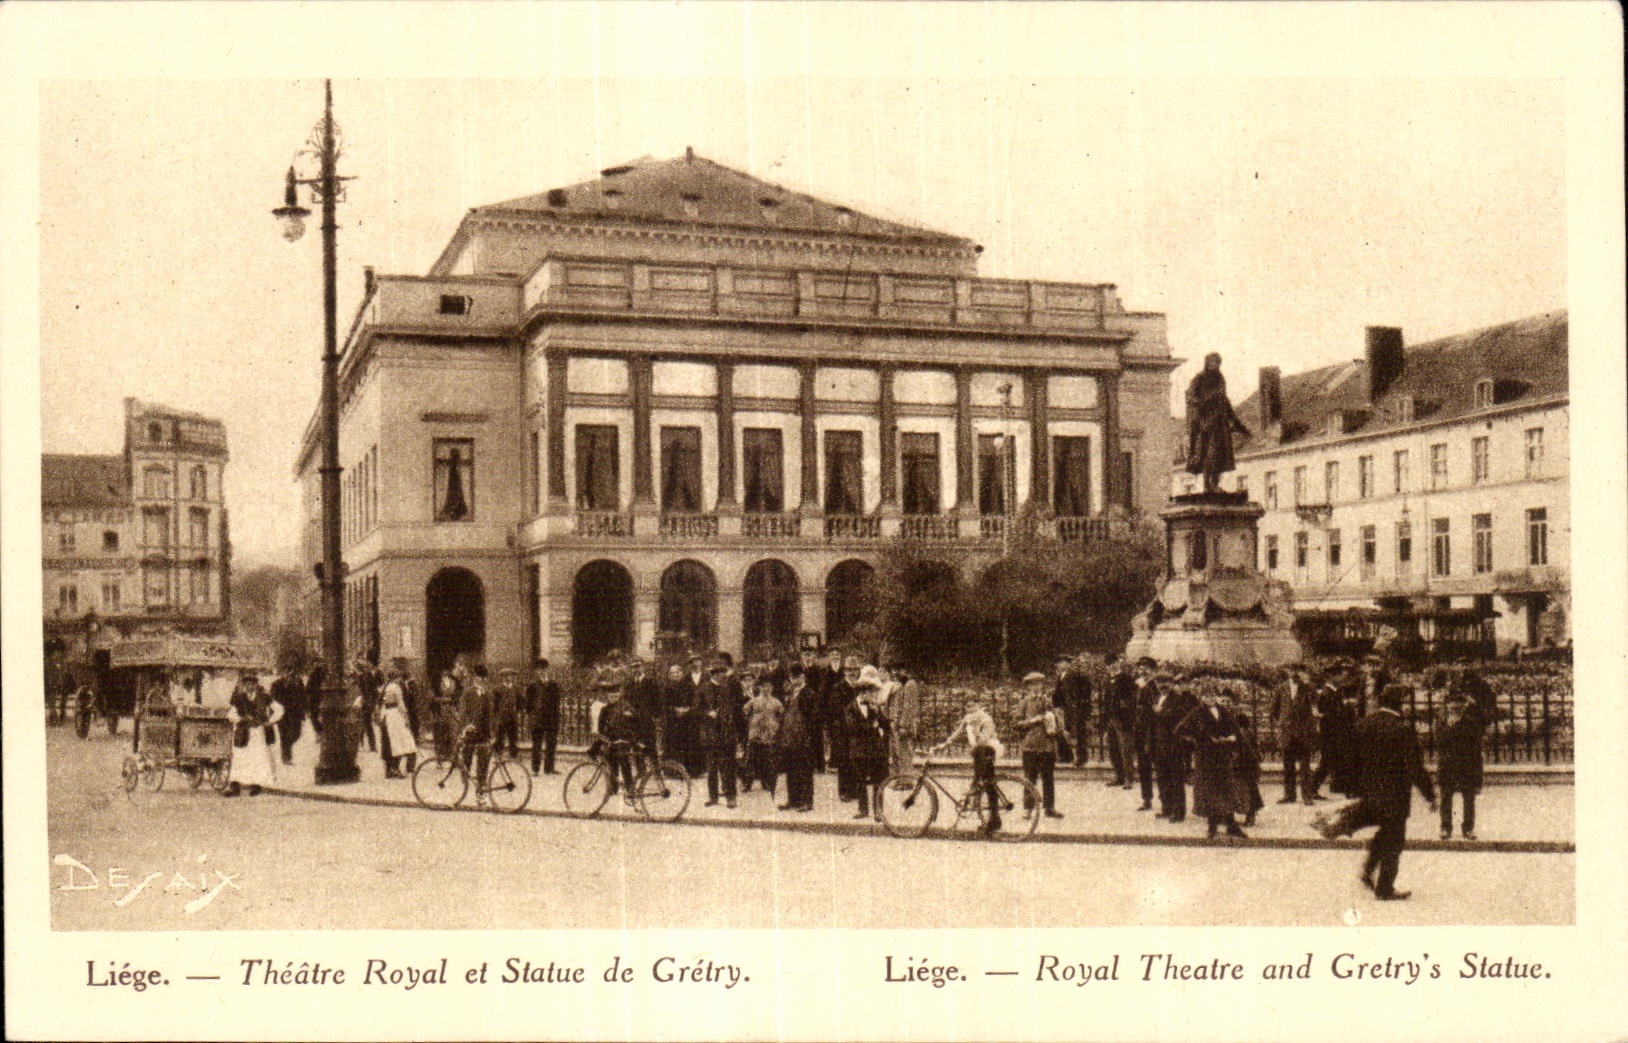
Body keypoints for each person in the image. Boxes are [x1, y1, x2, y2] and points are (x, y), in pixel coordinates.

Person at [1353, 685, 1437, 901]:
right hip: (1395, 794)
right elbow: (1414, 767)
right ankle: (1385, 887)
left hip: (1370, 790)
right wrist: (1430, 794)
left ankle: (1369, 868)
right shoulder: (1402, 729)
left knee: (1385, 832)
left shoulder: (1364, 724)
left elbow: (1351, 758)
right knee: (1395, 840)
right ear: (1398, 703)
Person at [1176, 680, 1249, 839]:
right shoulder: (1196, 713)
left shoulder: (1223, 711)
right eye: (1206, 695)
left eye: (1213, 695)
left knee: (1227, 790)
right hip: (1206, 758)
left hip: (1223, 757)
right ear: (1201, 697)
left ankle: (1231, 825)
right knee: (1210, 792)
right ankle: (1212, 826)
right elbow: (1181, 730)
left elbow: (1235, 730)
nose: (1210, 698)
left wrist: (1231, 739)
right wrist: (1199, 741)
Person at [933, 694, 1006, 836]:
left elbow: (986, 736)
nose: (970, 709)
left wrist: (977, 744)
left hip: (988, 751)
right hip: (978, 753)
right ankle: (984, 819)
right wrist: (944, 745)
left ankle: (994, 820)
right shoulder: (968, 720)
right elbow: (956, 734)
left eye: (973, 706)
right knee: (979, 785)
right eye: (968, 707)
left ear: (979, 706)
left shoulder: (986, 719)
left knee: (986, 784)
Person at [1184, 351, 1252, 494]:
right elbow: (1190, 397)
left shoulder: (1220, 379)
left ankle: (1214, 484)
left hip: (1220, 424)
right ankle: (1208, 486)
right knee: (1209, 454)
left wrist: (1238, 425)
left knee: (1220, 456)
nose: (1214, 365)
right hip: (1205, 424)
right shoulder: (1199, 378)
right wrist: (1204, 404)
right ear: (1207, 363)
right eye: (1212, 362)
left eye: (1217, 362)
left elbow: (1224, 402)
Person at [1436, 689, 1487, 841]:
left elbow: (1476, 748)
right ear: (1447, 707)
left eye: (1458, 708)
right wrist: (1449, 727)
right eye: (1452, 708)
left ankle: (1468, 828)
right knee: (1446, 797)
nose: (1455, 711)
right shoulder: (1442, 722)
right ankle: (1445, 827)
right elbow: (1439, 742)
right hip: (1448, 765)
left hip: (1467, 765)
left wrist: (1478, 776)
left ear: (1463, 708)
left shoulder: (1471, 722)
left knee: (1469, 798)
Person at [842, 666, 891, 821]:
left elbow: (886, 725)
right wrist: (872, 726)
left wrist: (877, 712)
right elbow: (853, 728)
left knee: (879, 780)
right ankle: (863, 809)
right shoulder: (850, 708)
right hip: (859, 750)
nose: (872, 695)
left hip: (876, 749)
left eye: (873, 691)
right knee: (860, 781)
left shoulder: (874, 707)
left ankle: (878, 810)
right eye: (870, 691)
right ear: (862, 692)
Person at [1019, 671, 1068, 819]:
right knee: (1029, 779)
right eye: (1033, 684)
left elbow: (1058, 721)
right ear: (1028, 687)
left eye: (1039, 684)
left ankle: (1049, 808)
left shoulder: (1048, 702)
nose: (1036, 687)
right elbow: (1016, 723)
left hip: (1047, 745)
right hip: (1030, 746)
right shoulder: (1024, 703)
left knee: (1048, 778)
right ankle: (1028, 809)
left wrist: (1054, 721)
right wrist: (1032, 721)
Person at [226, 672, 282, 797]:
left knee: (258, 758)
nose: (250, 686)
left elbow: (279, 709)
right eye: (247, 684)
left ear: (256, 685)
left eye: (252, 684)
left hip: (258, 732)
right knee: (241, 759)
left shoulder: (264, 697)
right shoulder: (239, 698)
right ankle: (235, 786)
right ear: (244, 686)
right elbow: (231, 714)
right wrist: (240, 719)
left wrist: (271, 721)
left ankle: (256, 785)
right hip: (244, 732)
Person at [1152, 671, 1198, 822]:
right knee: (1162, 777)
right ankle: (1167, 808)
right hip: (1159, 743)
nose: (1162, 686)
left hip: (1173, 743)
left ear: (1171, 684)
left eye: (1166, 682)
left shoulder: (1177, 699)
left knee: (1175, 779)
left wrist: (1161, 712)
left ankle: (1178, 812)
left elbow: (1177, 717)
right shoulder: (1158, 697)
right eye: (1160, 682)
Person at [696, 659, 742, 808]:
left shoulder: (729, 688)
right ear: (712, 674)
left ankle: (731, 797)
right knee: (711, 769)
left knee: (728, 767)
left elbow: (736, 709)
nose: (720, 675)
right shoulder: (702, 689)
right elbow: (696, 711)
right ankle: (713, 797)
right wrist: (707, 714)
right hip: (710, 735)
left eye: (722, 672)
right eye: (717, 673)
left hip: (727, 734)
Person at [594, 677, 645, 806]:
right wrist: (602, 737)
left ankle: (629, 789)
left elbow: (638, 721)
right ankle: (613, 788)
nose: (612, 698)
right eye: (610, 696)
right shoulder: (605, 710)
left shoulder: (625, 706)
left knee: (624, 762)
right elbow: (601, 726)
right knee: (611, 763)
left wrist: (632, 717)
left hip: (625, 740)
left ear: (619, 695)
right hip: (612, 740)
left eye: (615, 696)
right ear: (607, 697)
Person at [1272, 664, 1318, 804]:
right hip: (1287, 732)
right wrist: (1283, 723)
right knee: (1288, 766)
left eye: (1298, 671)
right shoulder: (1281, 689)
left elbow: (1314, 711)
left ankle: (1307, 796)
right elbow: (1274, 711)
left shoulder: (1309, 689)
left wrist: (1308, 728)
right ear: (1288, 672)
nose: (1295, 674)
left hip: (1303, 733)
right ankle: (1289, 795)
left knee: (1305, 766)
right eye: (1292, 670)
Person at [776, 666, 816, 812]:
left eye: (798, 676)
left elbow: (813, 718)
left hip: (803, 738)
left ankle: (807, 801)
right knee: (791, 770)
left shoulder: (809, 694)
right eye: (793, 677)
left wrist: (809, 737)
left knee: (804, 770)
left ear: (803, 677)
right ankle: (793, 800)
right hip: (790, 738)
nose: (795, 679)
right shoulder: (791, 694)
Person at [742, 674, 785, 799]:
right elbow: (744, 711)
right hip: (755, 735)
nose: (766, 689)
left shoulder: (776, 702)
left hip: (769, 736)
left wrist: (775, 726)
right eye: (764, 687)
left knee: (767, 760)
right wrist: (751, 722)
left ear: (771, 688)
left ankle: (766, 782)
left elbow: (782, 714)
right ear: (760, 688)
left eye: (769, 686)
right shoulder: (754, 701)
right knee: (750, 760)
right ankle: (747, 783)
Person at [460, 665, 496, 806]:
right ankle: (465, 781)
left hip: (483, 733)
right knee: (466, 758)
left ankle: (480, 794)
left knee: (483, 765)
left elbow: (490, 714)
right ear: (474, 678)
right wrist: (467, 724)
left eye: (482, 678)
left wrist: (492, 733)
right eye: (477, 678)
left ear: (485, 679)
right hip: (470, 732)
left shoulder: (487, 693)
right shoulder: (468, 693)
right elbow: (463, 711)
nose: (480, 680)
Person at [375, 670, 419, 779]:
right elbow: (401, 704)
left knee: (390, 743)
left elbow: (380, 704)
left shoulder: (385, 687)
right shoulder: (396, 688)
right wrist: (406, 717)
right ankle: (400, 769)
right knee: (402, 742)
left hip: (386, 715)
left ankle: (389, 769)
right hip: (395, 716)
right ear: (396, 678)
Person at [1131, 657, 1160, 810]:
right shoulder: (1138, 685)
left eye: (1146, 668)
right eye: (1141, 667)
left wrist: (1145, 688)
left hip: (1153, 730)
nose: (1143, 671)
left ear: (1152, 670)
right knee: (1143, 765)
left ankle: (1166, 800)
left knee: (1159, 765)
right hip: (1140, 729)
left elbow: (1156, 704)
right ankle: (1147, 799)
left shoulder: (1154, 685)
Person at [1052, 656, 1092, 767]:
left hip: (1074, 709)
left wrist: (1080, 705)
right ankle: (1066, 756)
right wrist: (1057, 706)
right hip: (1064, 709)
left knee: (1078, 734)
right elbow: (1057, 694)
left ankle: (1081, 759)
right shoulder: (1060, 676)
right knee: (1063, 731)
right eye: (1060, 663)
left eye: (1063, 663)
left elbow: (1082, 690)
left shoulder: (1074, 676)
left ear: (1068, 664)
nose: (1061, 665)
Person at [526, 659, 562, 775]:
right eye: (540, 670)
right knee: (537, 745)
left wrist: (556, 718)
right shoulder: (532, 685)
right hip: (538, 719)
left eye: (545, 669)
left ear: (548, 670)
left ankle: (549, 768)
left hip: (551, 719)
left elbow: (557, 702)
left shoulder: (554, 685)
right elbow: (528, 704)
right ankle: (535, 769)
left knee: (551, 744)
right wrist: (533, 715)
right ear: (536, 671)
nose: (542, 672)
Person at [886, 665, 922, 777]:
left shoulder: (910, 685)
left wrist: (903, 726)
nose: (896, 673)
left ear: (906, 671)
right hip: (900, 726)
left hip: (905, 727)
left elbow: (908, 708)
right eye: (894, 670)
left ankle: (906, 779)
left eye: (899, 670)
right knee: (900, 753)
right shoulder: (903, 685)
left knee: (905, 753)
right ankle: (901, 778)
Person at [270, 668, 307, 766]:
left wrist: (304, 713)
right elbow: (273, 700)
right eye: (288, 674)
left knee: (296, 734)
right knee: (284, 736)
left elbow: (303, 698)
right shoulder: (276, 684)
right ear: (284, 674)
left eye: (292, 675)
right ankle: (286, 757)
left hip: (296, 714)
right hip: (282, 715)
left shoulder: (299, 683)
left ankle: (287, 750)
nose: (290, 676)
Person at [431, 669, 462, 760]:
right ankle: (440, 757)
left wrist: (454, 701)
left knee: (453, 733)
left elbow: (458, 695)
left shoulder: (454, 682)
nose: (445, 676)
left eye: (447, 675)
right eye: (444, 676)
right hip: (440, 711)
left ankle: (454, 756)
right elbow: (432, 698)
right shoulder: (436, 684)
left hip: (452, 710)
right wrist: (442, 700)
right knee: (441, 734)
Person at [493, 667, 522, 760]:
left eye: (510, 676)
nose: (508, 678)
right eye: (505, 676)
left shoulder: (516, 688)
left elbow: (520, 701)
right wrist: (497, 714)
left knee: (513, 736)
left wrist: (518, 711)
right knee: (500, 736)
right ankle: (498, 755)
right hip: (502, 716)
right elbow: (494, 703)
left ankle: (513, 755)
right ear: (502, 678)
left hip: (513, 715)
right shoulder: (497, 689)